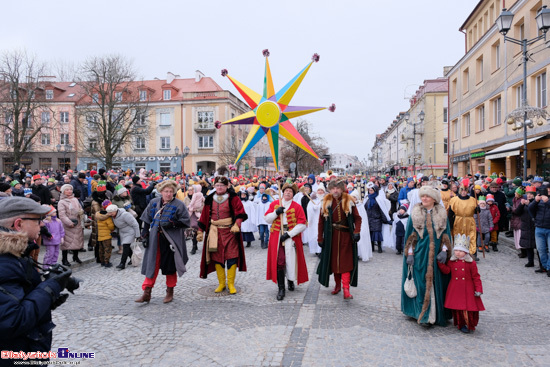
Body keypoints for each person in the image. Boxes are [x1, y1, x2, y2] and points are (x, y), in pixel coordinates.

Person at [0, 197, 71, 362]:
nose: (42, 224)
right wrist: (49, 289)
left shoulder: (14, 253)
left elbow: (19, 299)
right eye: (38, 220)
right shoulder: (4, 261)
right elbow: (12, 320)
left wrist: (48, 299)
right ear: (18, 224)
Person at [401, 186, 452, 326]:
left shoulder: (442, 214)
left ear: (434, 199)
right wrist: (410, 254)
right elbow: (410, 237)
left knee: (436, 283)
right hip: (420, 254)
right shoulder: (415, 213)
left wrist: (444, 250)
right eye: (422, 196)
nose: (424, 198)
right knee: (420, 284)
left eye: (427, 196)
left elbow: (446, 235)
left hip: (436, 256)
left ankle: (434, 314)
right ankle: (421, 314)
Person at [136, 180, 190, 304]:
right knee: (152, 265)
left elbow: (185, 221)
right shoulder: (154, 202)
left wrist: (172, 224)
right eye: (166, 191)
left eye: (171, 191)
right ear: (161, 192)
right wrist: (144, 235)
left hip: (171, 240)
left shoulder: (179, 204)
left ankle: (169, 291)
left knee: (170, 267)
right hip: (155, 239)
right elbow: (147, 220)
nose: (168, 194)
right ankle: (146, 293)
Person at [197, 176, 247, 295]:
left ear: (227, 186)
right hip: (214, 233)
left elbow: (240, 212)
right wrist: (200, 231)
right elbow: (204, 216)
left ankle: (231, 284)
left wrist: (237, 224)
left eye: (222, 185)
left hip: (230, 232)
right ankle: (222, 283)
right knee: (217, 258)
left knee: (232, 257)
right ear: (214, 186)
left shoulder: (233, 198)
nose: (219, 187)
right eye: (217, 185)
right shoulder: (209, 199)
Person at [317, 179, 362, 300]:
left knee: (345, 262)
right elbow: (321, 222)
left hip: (346, 236)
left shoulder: (349, 200)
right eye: (333, 188)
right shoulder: (326, 201)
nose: (335, 190)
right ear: (330, 189)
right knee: (334, 262)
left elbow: (358, 218)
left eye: (337, 188)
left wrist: (357, 232)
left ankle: (346, 289)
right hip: (331, 236)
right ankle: (337, 285)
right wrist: (320, 237)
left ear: (342, 189)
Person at [264, 182, 308, 301]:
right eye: (286, 191)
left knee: (290, 260)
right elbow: (267, 219)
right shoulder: (275, 204)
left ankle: (290, 280)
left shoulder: (297, 206)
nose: (288, 192)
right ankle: (281, 288)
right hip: (276, 237)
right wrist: (276, 213)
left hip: (291, 237)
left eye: (291, 191)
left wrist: (289, 234)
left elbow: (302, 224)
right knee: (280, 261)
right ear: (283, 193)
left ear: (293, 194)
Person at [437, 234, 485, 333]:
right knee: (458, 307)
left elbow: (476, 277)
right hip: (455, 288)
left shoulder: (471, 263)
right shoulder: (452, 261)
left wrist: (478, 289)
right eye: (456, 250)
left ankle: (470, 323)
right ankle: (461, 324)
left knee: (469, 307)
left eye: (460, 251)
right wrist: (440, 263)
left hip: (468, 288)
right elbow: (447, 271)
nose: (457, 253)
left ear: (466, 252)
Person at [57, 184, 85, 266]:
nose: (69, 191)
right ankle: (64, 259)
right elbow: (62, 215)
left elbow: (80, 208)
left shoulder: (75, 200)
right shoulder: (61, 202)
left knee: (77, 241)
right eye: (67, 190)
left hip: (77, 223)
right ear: (63, 191)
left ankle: (75, 256)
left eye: (70, 189)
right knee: (66, 243)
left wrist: (81, 212)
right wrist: (69, 222)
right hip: (68, 225)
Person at [108, 205, 140, 270]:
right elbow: (117, 226)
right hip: (122, 232)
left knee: (125, 246)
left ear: (115, 210)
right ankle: (133, 259)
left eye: (111, 212)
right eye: (109, 212)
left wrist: (137, 235)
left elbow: (135, 224)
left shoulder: (125, 215)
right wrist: (115, 231)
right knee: (127, 247)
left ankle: (122, 263)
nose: (110, 213)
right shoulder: (113, 216)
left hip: (130, 232)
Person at [515, 187, 537, 268]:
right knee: (528, 245)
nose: (529, 196)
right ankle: (530, 261)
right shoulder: (524, 202)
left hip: (534, 226)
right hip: (525, 226)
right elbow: (517, 212)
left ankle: (542, 265)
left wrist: (529, 205)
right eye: (528, 194)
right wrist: (521, 204)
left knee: (537, 246)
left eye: (531, 194)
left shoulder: (536, 202)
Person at [42, 205, 65, 269]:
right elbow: (44, 231)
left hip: (57, 240)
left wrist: (62, 237)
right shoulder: (46, 222)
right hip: (50, 241)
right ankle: (46, 266)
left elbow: (61, 230)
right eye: (54, 212)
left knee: (56, 253)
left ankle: (53, 264)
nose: (56, 213)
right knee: (50, 254)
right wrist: (47, 236)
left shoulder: (58, 221)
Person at [305, 185, 326, 257]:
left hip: (322, 221)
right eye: (319, 190)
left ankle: (322, 250)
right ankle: (316, 250)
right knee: (315, 235)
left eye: (321, 190)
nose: (320, 192)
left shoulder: (326, 199)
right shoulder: (312, 200)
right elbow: (308, 209)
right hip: (314, 221)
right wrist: (313, 208)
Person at [187, 184, 205, 255]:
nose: (189, 191)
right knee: (191, 232)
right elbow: (185, 206)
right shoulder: (186, 198)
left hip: (197, 215)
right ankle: (194, 246)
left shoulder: (197, 195)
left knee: (196, 231)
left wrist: (196, 209)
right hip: (190, 216)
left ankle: (195, 245)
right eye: (188, 190)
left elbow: (203, 205)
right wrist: (189, 208)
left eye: (191, 190)